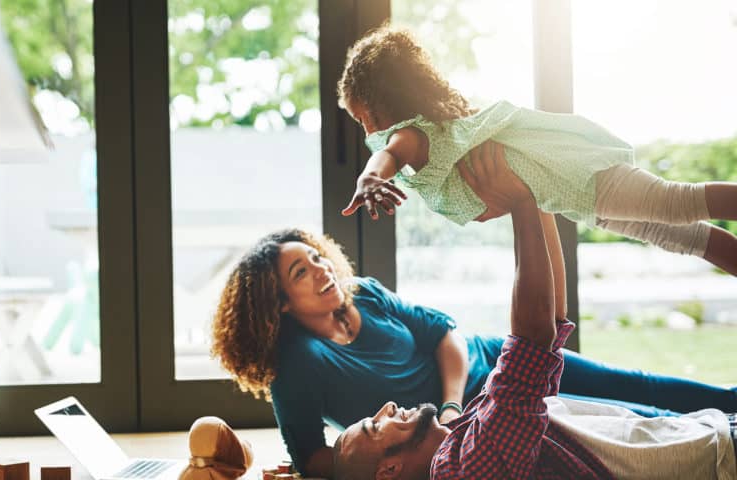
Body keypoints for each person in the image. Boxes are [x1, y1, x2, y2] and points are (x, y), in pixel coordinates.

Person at [210, 168, 737, 478]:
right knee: (645, 419)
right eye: (302, 271)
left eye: (318, 257)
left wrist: (539, 201)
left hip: (481, 391)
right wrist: (524, 201)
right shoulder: (299, 367)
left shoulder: (363, 296)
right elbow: (313, 458)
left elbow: (451, 331)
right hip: (494, 401)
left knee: (646, 401)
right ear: (277, 302)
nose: (322, 269)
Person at [337, 25, 737, 276]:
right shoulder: (445, 133)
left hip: (578, 176)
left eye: (362, 119)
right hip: (575, 195)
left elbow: (387, 156)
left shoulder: (412, 137)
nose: (366, 131)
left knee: (675, 202)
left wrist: (370, 178)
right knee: (685, 237)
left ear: (383, 103)